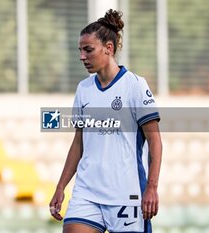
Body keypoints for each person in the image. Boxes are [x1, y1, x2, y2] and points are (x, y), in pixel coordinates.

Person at [49, 9, 162, 233]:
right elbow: (78, 144)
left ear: (108, 48)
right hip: (86, 192)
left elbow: (155, 142)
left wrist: (151, 188)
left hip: (125, 193)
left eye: (88, 50)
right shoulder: (83, 89)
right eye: (80, 50)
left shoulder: (135, 86)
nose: (82, 56)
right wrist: (61, 186)